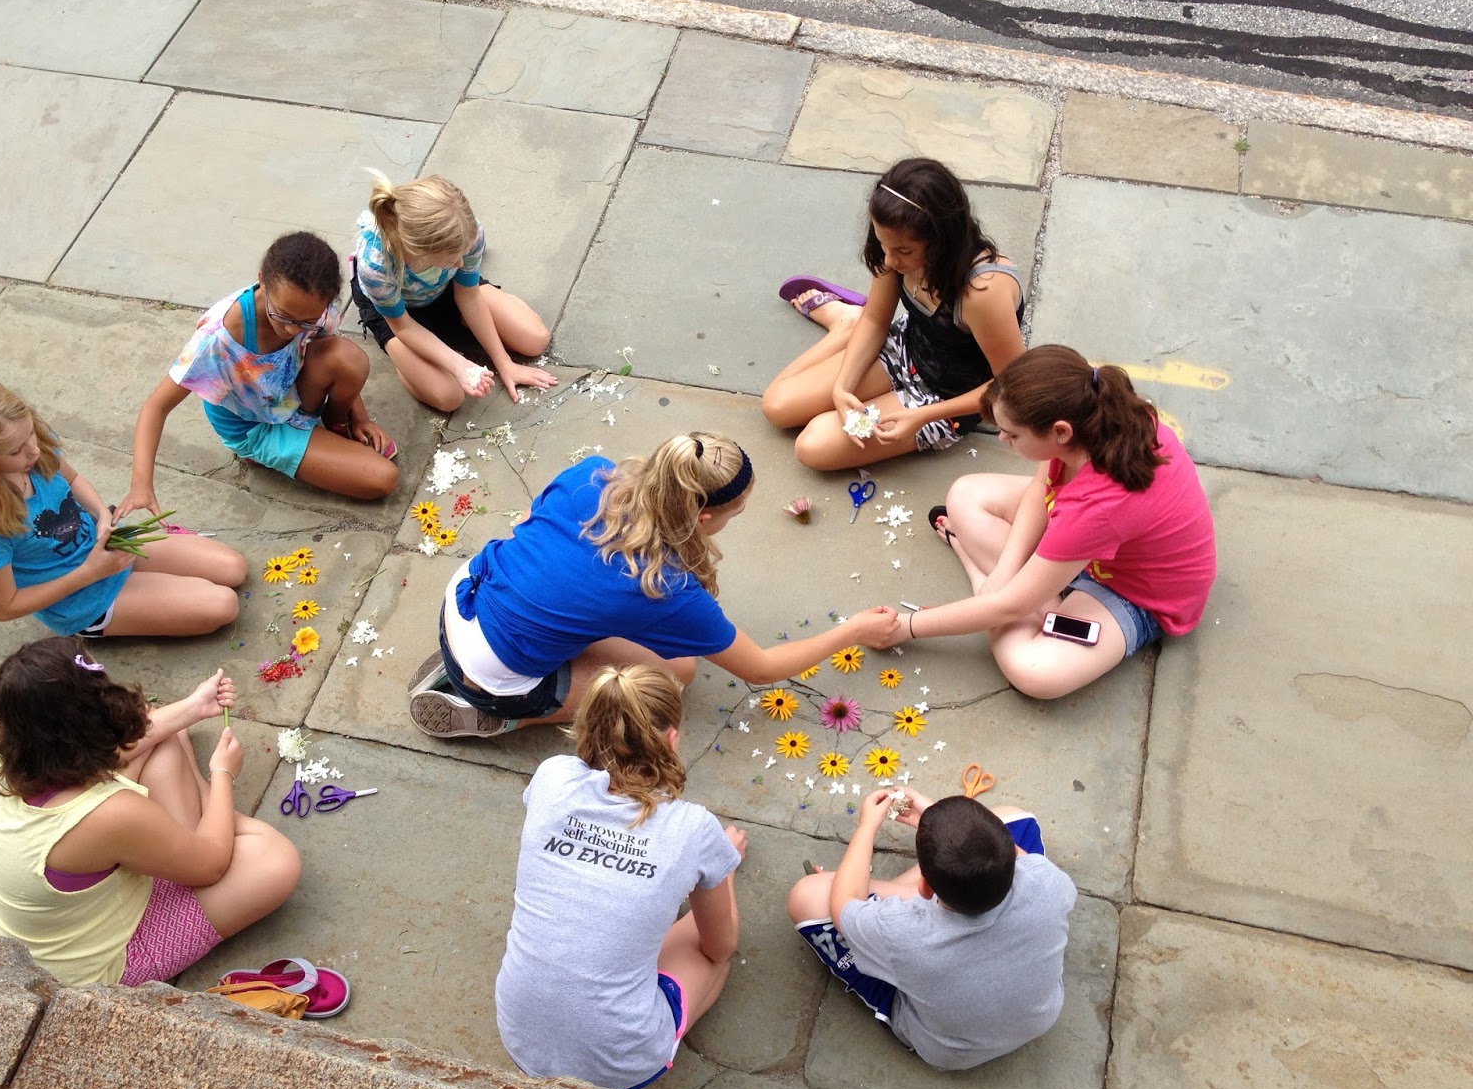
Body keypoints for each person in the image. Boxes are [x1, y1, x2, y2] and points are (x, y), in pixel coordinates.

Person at [408, 431, 901, 738]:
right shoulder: (664, 586)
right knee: (676, 672)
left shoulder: (592, 472)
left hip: (465, 594)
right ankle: (502, 712)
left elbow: (526, 522)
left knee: (572, 599)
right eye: (735, 512)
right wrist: (852, 632)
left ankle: (472, 661)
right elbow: (762, 668)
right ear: (703, 517)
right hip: (499, 672)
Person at [0, 638, 301, 987]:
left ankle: (200, 820)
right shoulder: (108, 815)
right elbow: (211, 866)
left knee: (164, 739)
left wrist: (192, 707)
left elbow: (110, 750)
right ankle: (206, 810)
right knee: (275, 860)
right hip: (79, 976)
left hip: (11, 928)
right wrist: (222, 774)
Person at [898, 344, 1217, 699]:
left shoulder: (1097, 507)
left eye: (1013, 434)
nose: (1002, 439)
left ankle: (981, 568)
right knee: (965, 495)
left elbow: (1011, 605)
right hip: (1095, 544)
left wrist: (907, 627)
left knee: (1034, 672)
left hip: (1136, 594)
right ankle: (1038, 595)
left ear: (1060, 431)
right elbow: (1041, 486)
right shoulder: (1099, 415)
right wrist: (1003, 577)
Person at [495, 665, 746, 1089]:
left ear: (583, 726)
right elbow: (719, 944)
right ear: (671, 740)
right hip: (621, 1062)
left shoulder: (553, 777)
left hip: (520, 1035)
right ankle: (632, 1086)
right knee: (713, 957)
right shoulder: (693, 829)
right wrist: (724, 865)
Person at [761, 156, 1026, 472]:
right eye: (883, 244)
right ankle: (847, 324)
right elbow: (875, 319)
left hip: (947, 398)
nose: (889, 259)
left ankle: (846, 323)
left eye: (903, 251)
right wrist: (842, 387)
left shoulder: (983, 290)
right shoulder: (894, 248)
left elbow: (1012, 384)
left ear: (942, 241)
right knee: (776, 406)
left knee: (813, 446)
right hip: (906, 349)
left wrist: (920, 417)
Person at [0, 377, 246, 638]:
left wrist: (101, 514)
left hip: (106, 548)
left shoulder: (35, 447)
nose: (32, 450)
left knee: (234, 568)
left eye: (31, 433)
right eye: (15, 450)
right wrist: (89, 573)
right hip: (83, 599)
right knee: (223, 605)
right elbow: (4, 607)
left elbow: (73, 478)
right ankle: (102, 623)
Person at [787, 788, 1076, 1070]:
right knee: (1012, 816)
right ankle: (894, 889)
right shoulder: (1050, 880)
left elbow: (843, 906)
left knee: (809, 894)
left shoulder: (902, 935)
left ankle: (887, 891)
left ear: (926, 889)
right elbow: (1014, 852)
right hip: (1040, 1017)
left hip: (949, 1049)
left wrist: (866, 828)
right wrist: (947, 826)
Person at [119, 231, 398, 516]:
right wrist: (141, 485)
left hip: (291, 396)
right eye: (284, 316)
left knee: (350, 358)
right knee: (382, 478)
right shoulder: (217, 340)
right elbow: (156, 406)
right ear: (262, 279)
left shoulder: (312, 304)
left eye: (306, 322)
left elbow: (325, 347)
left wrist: (359, 417)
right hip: (255, 426)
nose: (292, 329)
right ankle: (267, 454)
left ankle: (337, 425)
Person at [351, 170, 555, 409]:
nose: (459, 264)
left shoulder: (466, 233)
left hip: (444, 287)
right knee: (449, 397)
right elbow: (403, 325)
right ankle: (405, 357)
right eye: (450, 258)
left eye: (461, 254)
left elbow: (468, 295)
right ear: (418, 251)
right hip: (398, 314)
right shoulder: (376, 266)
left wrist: (504, 363)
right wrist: (458, 364)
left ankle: (447, 332)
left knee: (535, 340)